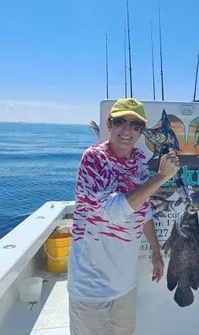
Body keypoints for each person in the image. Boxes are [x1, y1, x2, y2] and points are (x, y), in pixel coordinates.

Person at [67, 98, 181, 335]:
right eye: (121, 122)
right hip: (91, 285)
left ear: (141, 132)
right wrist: (160, 178)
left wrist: (156, 250)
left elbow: (142, 207)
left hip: (125, 284)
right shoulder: (93, 159)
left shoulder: (139, 159)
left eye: (135, 125)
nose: (127, 130)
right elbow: (112, 212)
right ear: (109, 124)